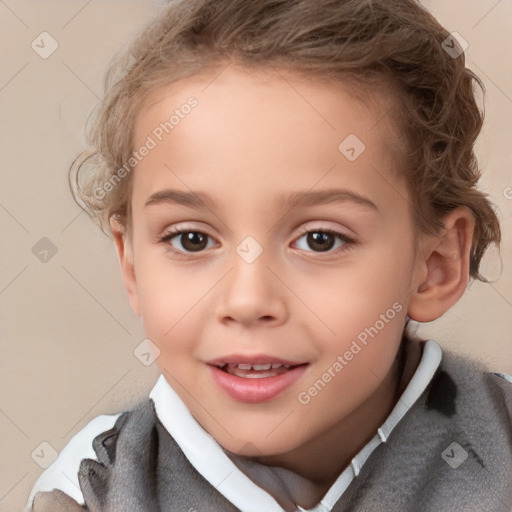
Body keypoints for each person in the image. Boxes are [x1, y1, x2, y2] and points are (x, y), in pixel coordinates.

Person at [26, 0, 512, 510]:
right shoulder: (92, 489)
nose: (247, 299)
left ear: (436, 265)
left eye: (320, 239)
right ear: (132, 266)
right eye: (191, 239)